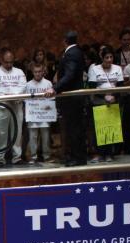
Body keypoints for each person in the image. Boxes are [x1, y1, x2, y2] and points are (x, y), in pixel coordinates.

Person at [0, 47, 26, 165]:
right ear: (1, 60)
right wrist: (9, 96)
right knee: (1, 134)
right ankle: (0, 158)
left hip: (17, 106)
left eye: (11, 62)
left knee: (17, 133)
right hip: (1, 107)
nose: (9, 64)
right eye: (6, 62)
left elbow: (22, 86)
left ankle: (17, 158)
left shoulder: (19, 72)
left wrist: (13, 96)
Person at [55, 31, 87, 165]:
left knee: (73, 129)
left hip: (72, 98)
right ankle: (78, 156)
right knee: (76, 128)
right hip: (74, 98)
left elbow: (69, 75)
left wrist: (55, 88)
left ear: (65, 40)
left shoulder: (71, 53)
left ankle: (76, 158)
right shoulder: (77, 51)